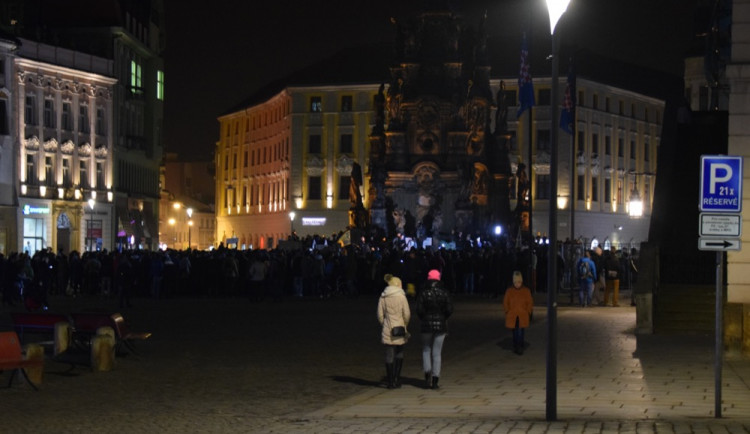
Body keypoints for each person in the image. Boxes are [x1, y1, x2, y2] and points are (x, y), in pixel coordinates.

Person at [416, 269, 453, 390]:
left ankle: (427, 373)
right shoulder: (444, 292)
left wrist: (424, 317)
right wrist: (443, 317)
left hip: (426, 323)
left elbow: (419, 309)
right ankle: (436, 379)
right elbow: (449, 309)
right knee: (437, 353)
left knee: (426, 350)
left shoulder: (423, 292)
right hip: (440, 324)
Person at [377, 274, 411, 389]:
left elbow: (380, 314)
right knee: (400, 352)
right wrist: (404, 324)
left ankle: (390, 381)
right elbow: (407, 314)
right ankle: (397, 378)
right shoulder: (402, 297)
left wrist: (385, 324)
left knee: (389, 354)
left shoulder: (383, 297)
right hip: (400, 327)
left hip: (388, 327)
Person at [503, 271, 534, 355]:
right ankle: (516, 344)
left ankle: (519, 346)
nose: (517, 284)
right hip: (513, 314)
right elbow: (506, 302)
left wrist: (528, 311)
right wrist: (507, 310)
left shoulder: (526, 291)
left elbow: (530, 302)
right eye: (516, 282)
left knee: (520, 330)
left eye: (519, 282)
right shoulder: (510, 291)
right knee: (515, 331)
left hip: (522, 314)